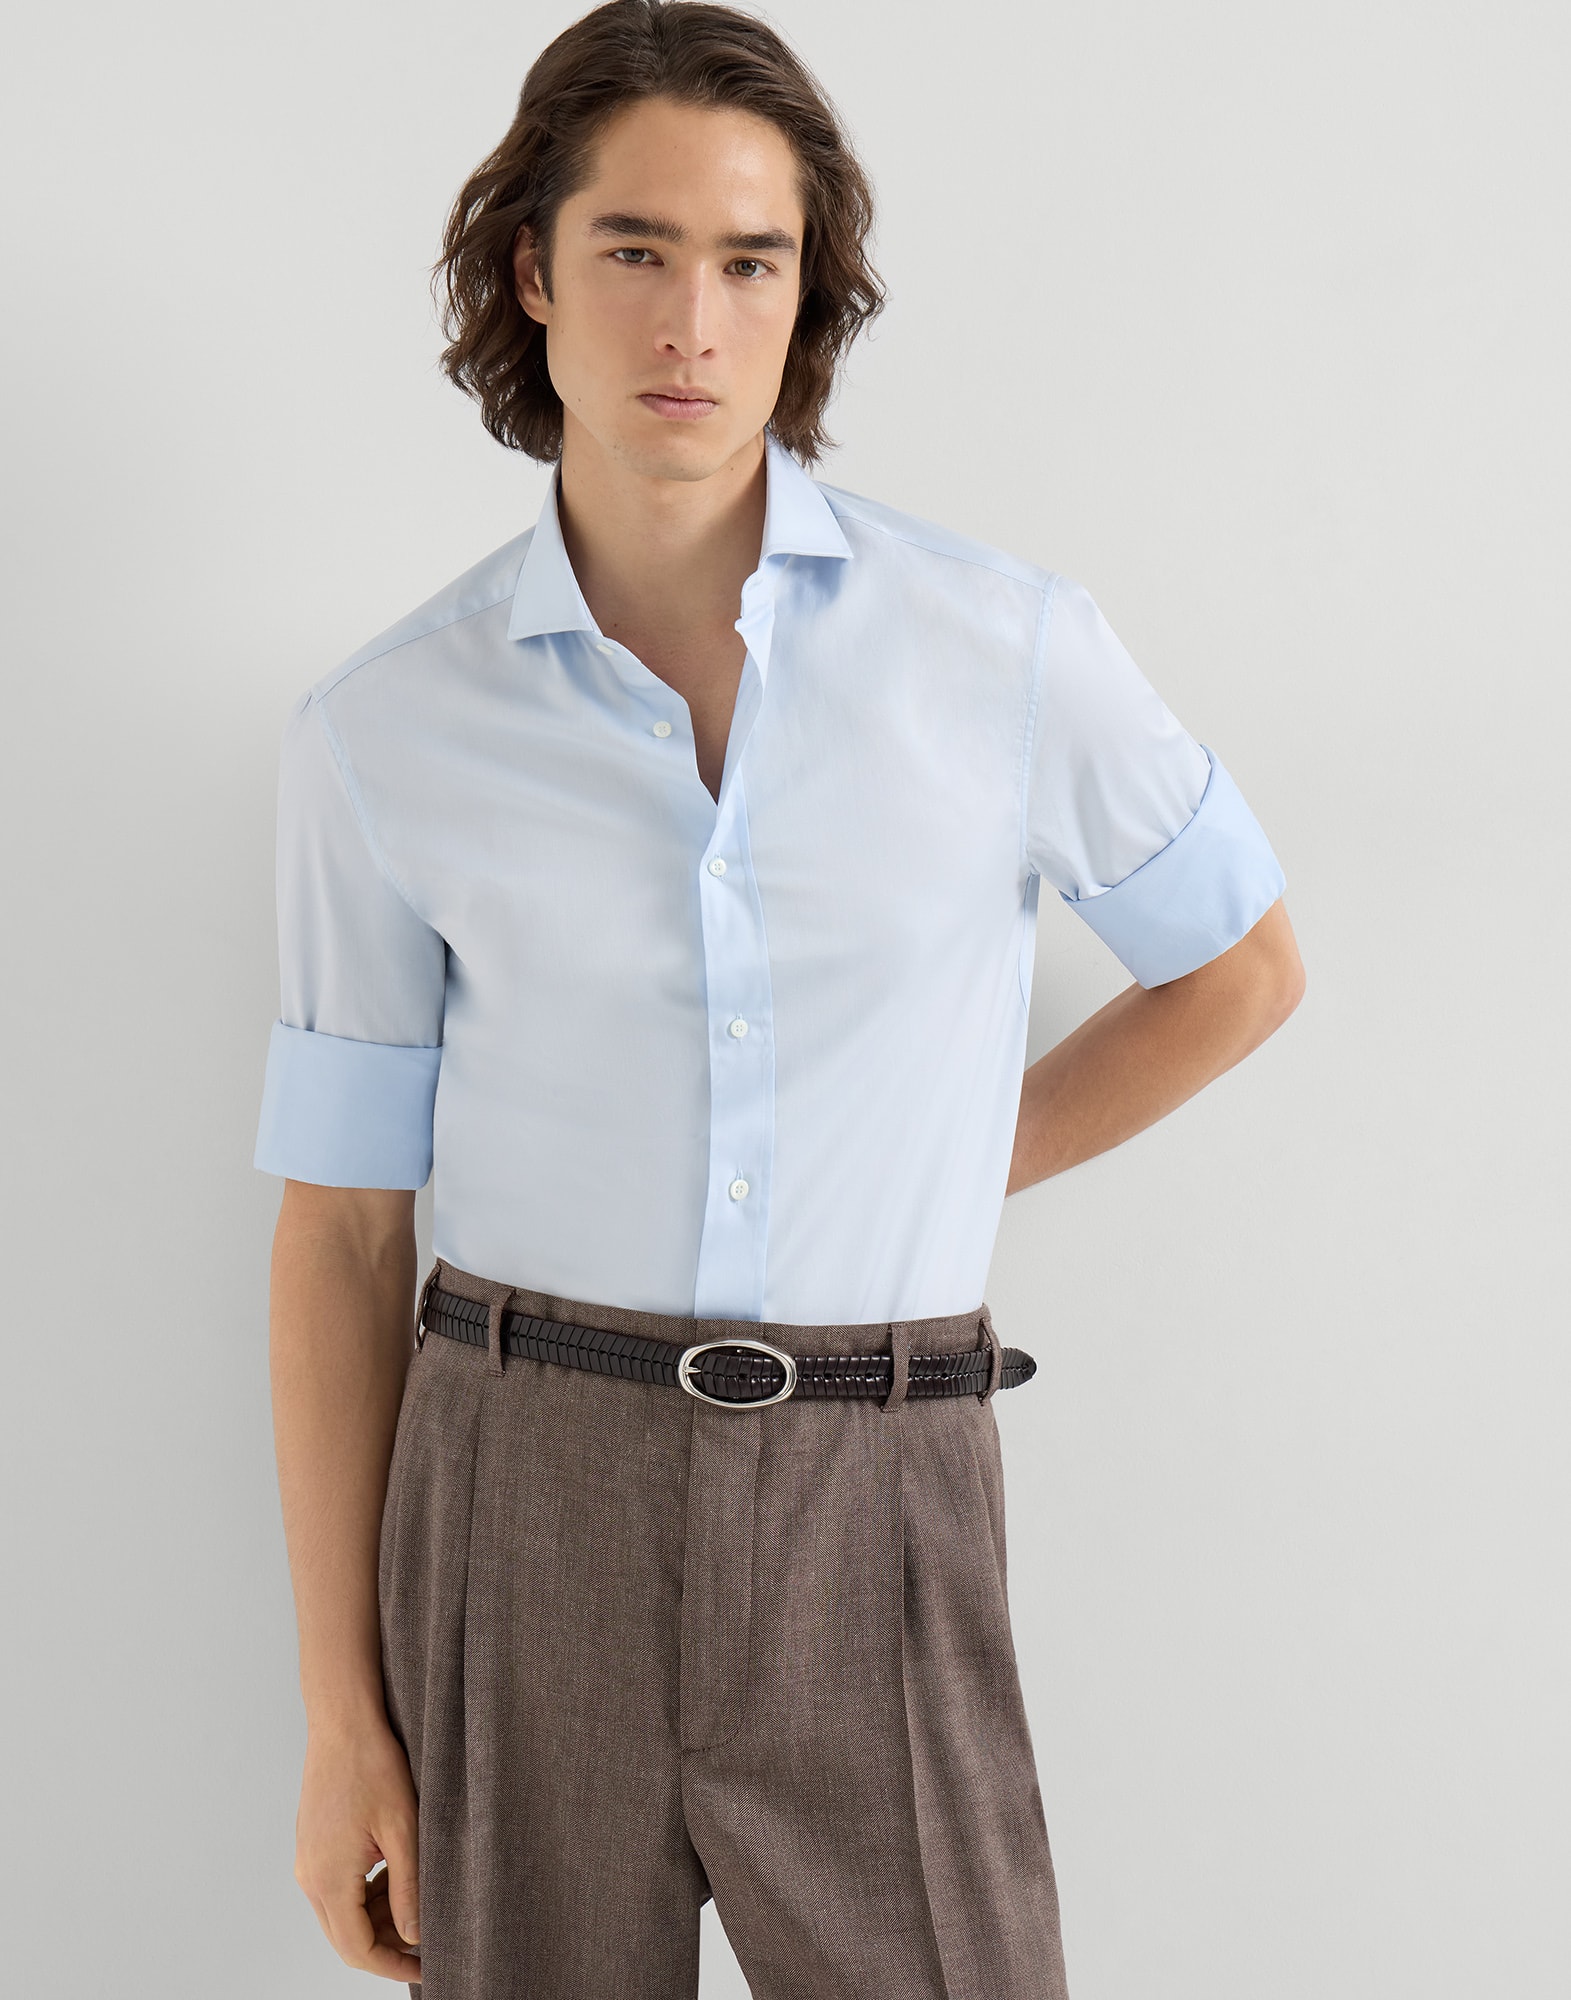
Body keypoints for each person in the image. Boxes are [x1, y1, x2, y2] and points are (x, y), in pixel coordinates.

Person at [254, 2, 1305, 1993]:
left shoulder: (1001, 653)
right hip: (524, 1491)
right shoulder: (386, 732)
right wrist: (338, 1720)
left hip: (880, 1491)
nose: (693, 323)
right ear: (532, 272)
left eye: (752, 262)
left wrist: (943, 1155)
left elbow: (1239, 967)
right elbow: (343, 1231)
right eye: (636, 249)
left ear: (809, 295)